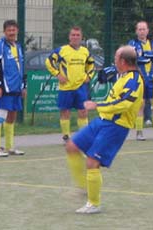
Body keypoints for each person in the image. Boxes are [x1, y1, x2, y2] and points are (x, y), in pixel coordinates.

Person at [65, 45, 144, 214]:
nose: (114, 61)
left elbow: (123, 104)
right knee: (71, 146)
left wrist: (97, 104)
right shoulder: (122, 75)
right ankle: (85, 187)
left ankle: (93, 203)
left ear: (123, 61)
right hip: (102, 121)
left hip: (116, 127)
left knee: (92, 162)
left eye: (116, 58)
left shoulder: (135, 81)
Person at [45, 26, 95, 143]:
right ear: (69, 37)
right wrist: (57, 74)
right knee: (65, 112)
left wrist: (89, 76)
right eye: (73, 35)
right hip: (66, 88)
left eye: (78, 35)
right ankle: (66, 137)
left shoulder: (85, 51)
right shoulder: (62, 50)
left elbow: (91, 64)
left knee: (83, 111)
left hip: (81, 87)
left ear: (81, 37)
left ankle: (83, 137)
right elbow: (49, 62)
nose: (75, 37)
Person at [0, 20, 26, 157]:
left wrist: (23, 86)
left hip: (16, 88)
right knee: (0, 117)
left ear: (17, 31)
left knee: (12, 117)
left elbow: (21, 67)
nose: (12, 32)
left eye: (14, 30)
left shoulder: (18, 46)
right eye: (9, 30)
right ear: (4, 32)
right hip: (4, 88)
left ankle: (10, 147)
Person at [128, 21, 153, 140]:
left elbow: (144, 58)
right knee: (141, 104)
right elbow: (136, 58)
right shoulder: (132, 44)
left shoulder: (151, 43)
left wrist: (145, 55)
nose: (142, 31)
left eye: (144, 29)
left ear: (148, 31)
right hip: (140, 78)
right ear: (136, 31)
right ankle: (139, 132)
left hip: (152, 78)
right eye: (140, 29)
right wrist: (147, 56)